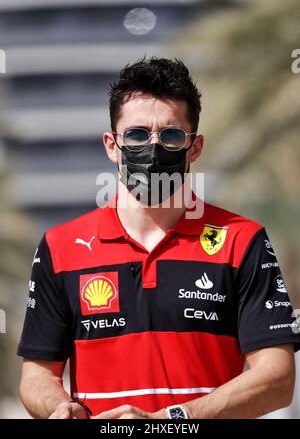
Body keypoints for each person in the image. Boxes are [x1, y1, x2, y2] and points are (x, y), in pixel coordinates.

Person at [18, 57, 300, 419]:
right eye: (136, 135)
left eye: (170, 136)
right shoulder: (60, 247)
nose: (152, 148)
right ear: (111, 145)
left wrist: (169, 422)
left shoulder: (242, 241)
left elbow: (277, 380)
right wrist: (59, 409)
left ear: (194, 148)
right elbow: (37, 375)